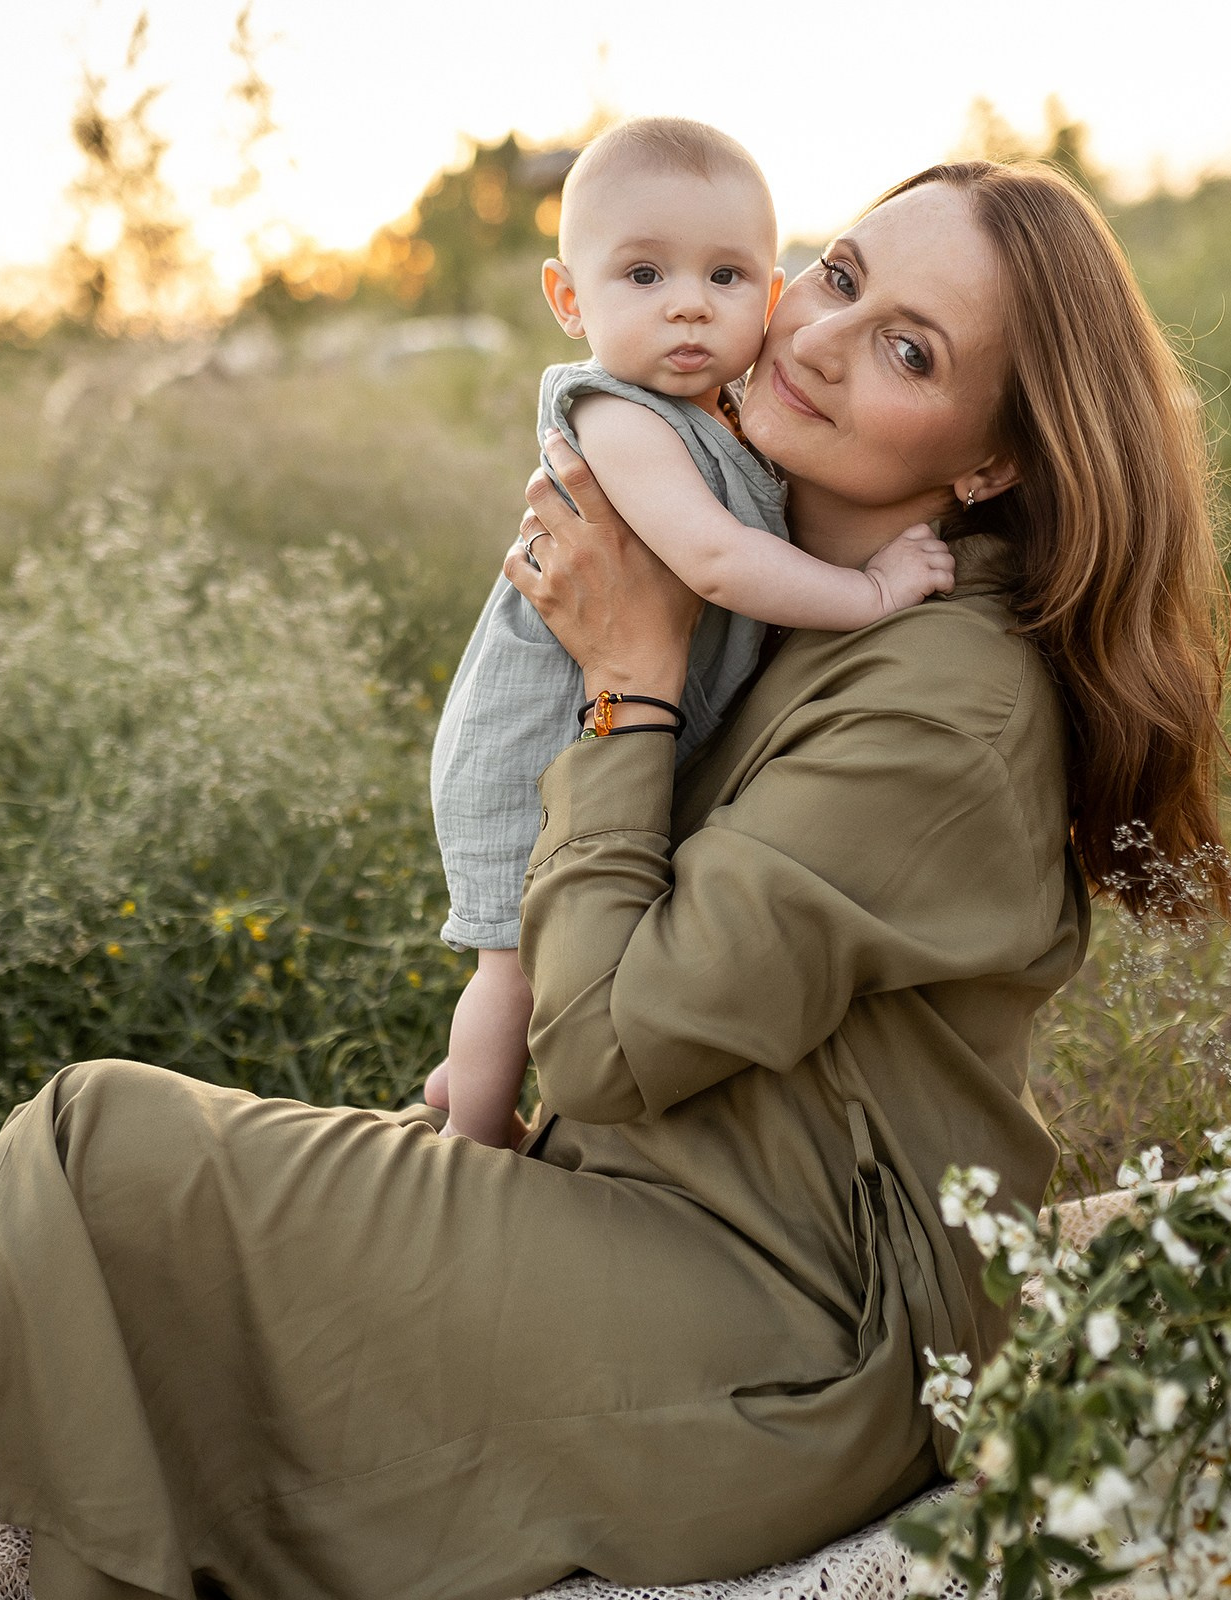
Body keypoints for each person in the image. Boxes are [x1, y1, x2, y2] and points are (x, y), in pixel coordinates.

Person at [0, 159, 1231, 1600]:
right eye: (836, 273)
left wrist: (632, 673)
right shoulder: (775, 565)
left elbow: (605, 1047)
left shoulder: (942, 700)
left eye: (909, 347)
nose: (821, 338)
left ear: (993, 458)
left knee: (116, 1158)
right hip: (674, 1227)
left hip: (783, 1349)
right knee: (88, 1172)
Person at [428, 116, 953, 1145]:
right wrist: (875, 593)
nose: (685, 305)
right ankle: (474, 1141)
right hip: (530, 743)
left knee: (539, 949)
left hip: (598, 730)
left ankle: (461, 1084)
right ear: (568, 299)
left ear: (768, 295)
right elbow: (716, 560)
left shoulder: (719, 413)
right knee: (512, 958)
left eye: (724, 278)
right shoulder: (617, 417)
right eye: (641, 276)